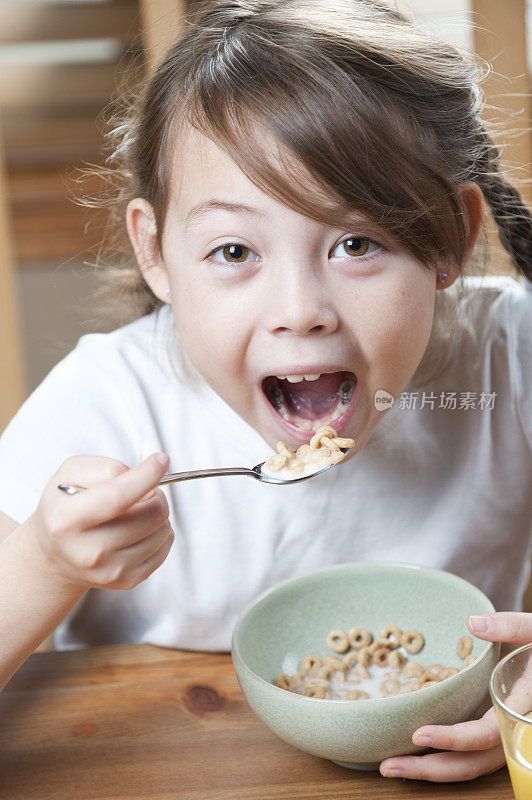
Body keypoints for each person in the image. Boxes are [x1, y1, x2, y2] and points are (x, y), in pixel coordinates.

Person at [0, 0, 530, 783]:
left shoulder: (507, 360)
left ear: (449, 239)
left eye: (356, 243)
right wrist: (45, 560)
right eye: (234, 250)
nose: (300, 312)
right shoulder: (108, 400)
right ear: (156, 253)